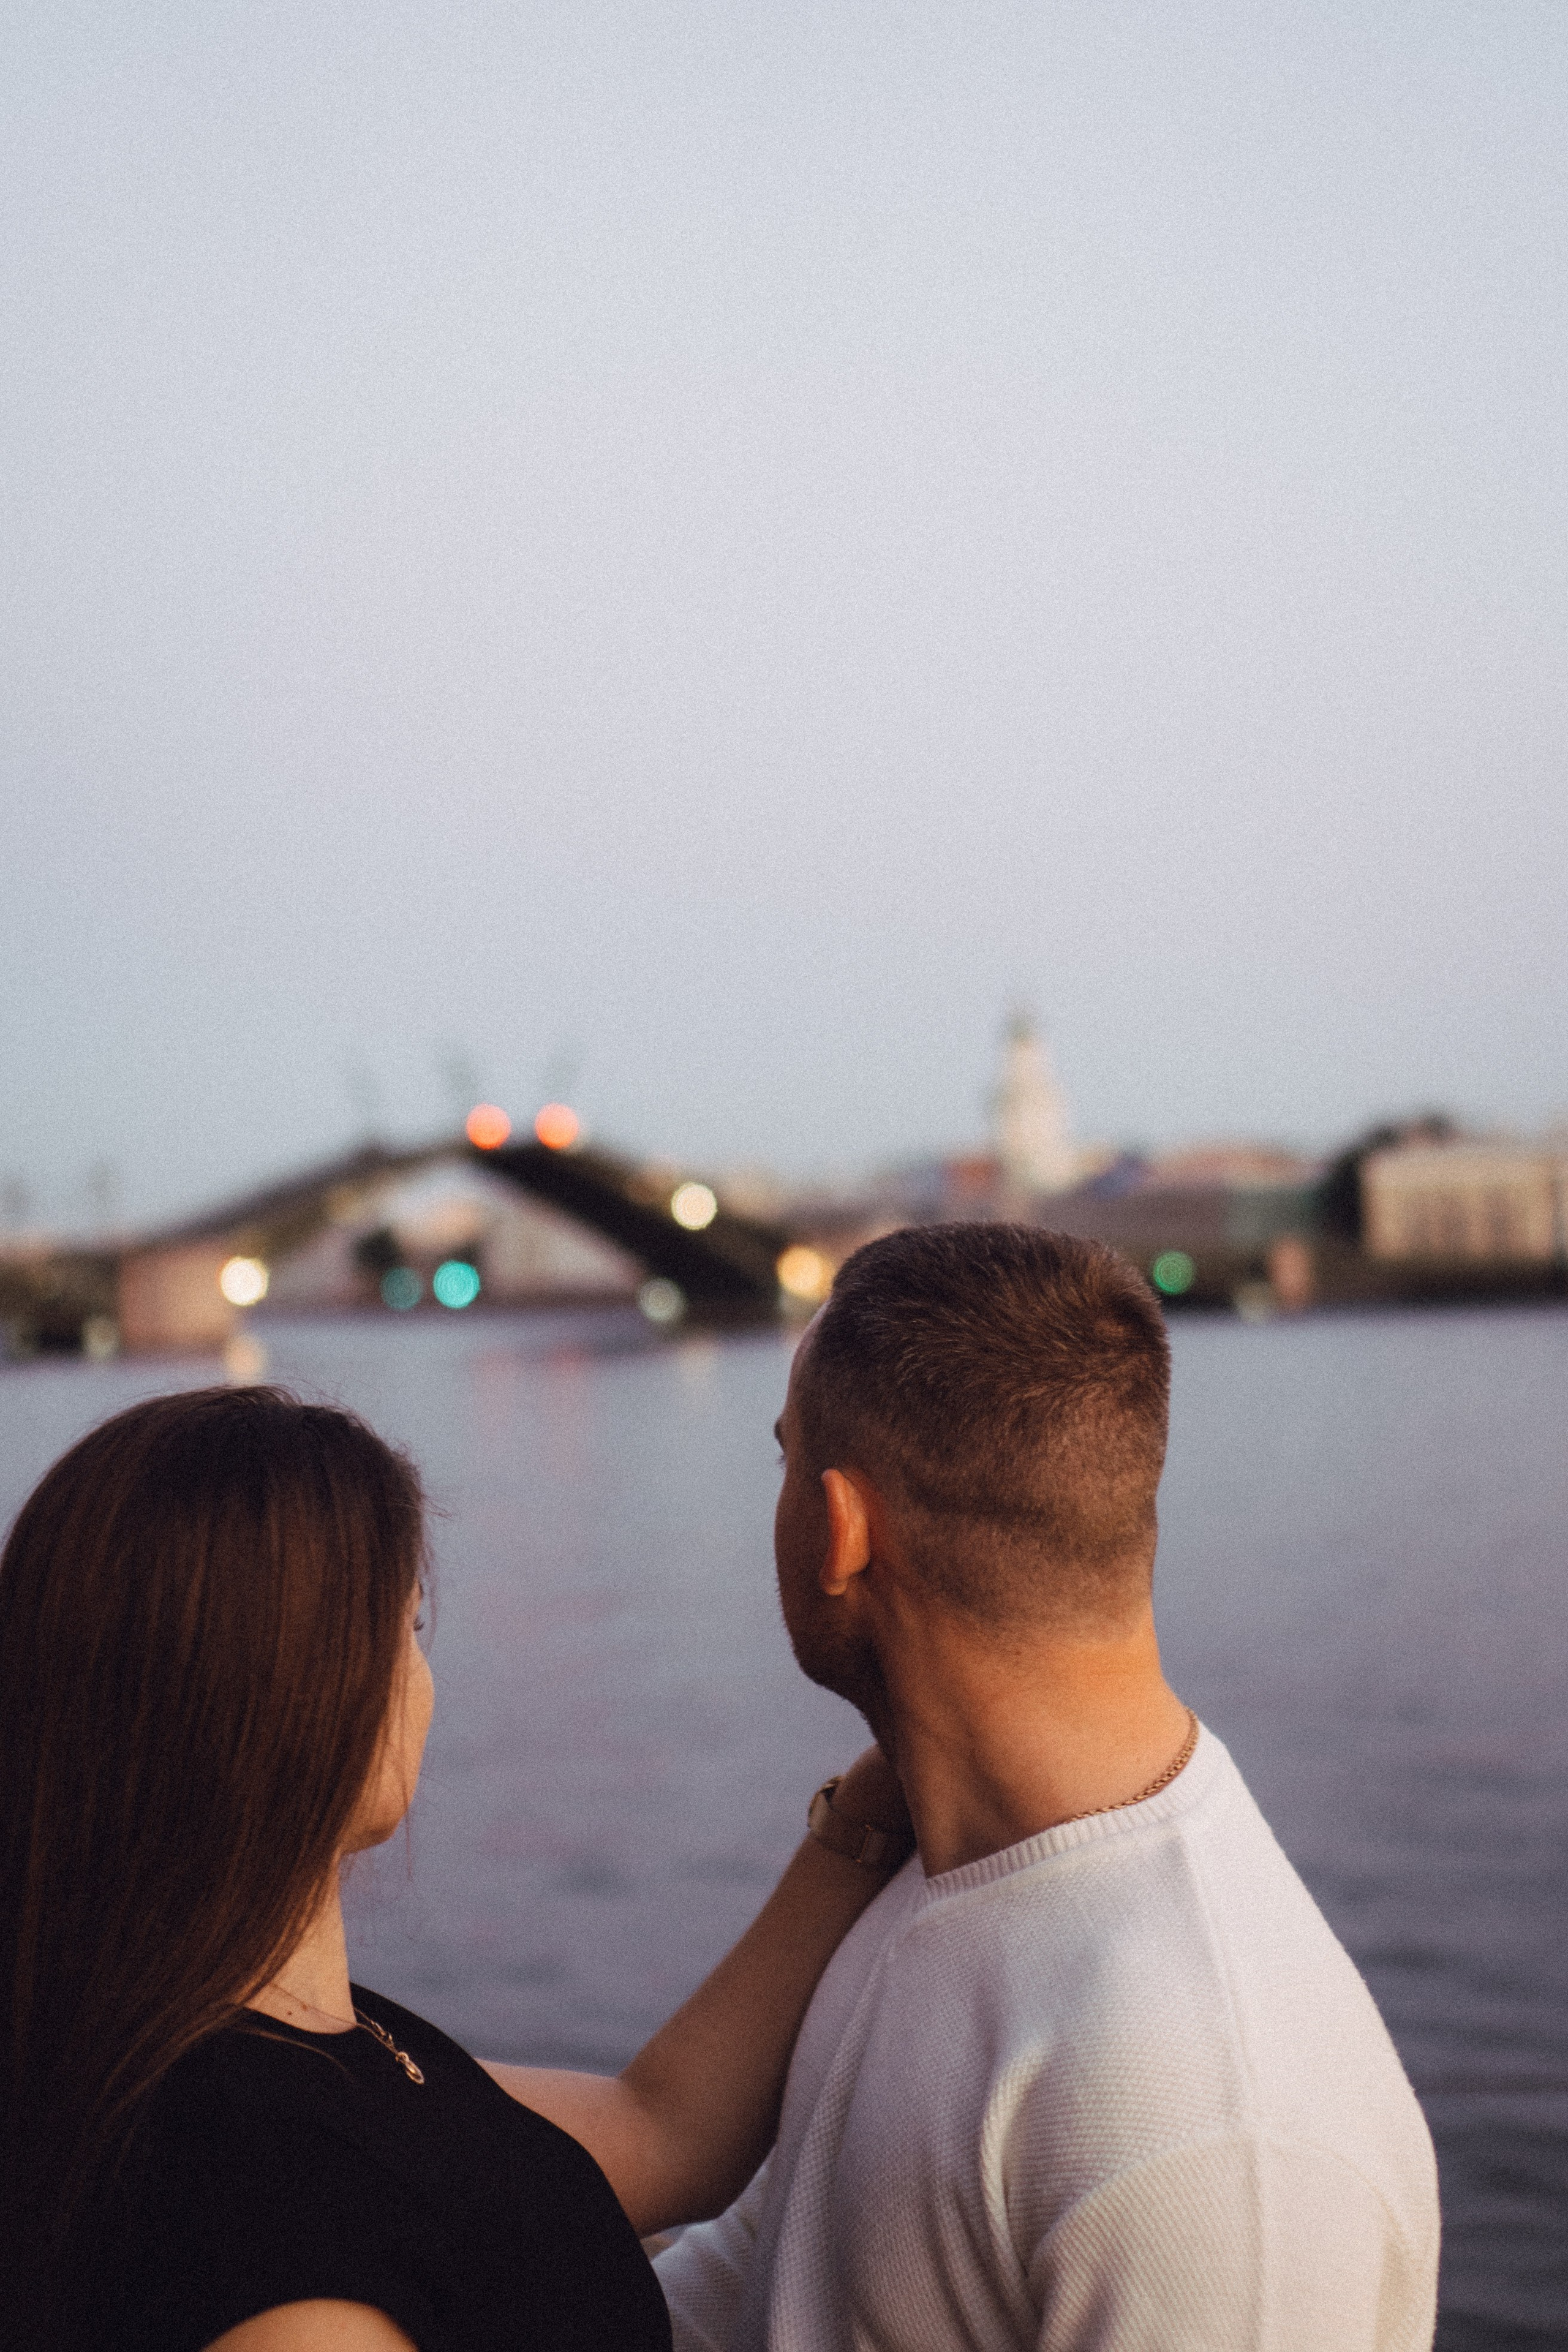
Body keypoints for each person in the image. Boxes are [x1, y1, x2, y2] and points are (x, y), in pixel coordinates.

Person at [657, 1223, 1441, 2352]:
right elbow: (765, 2282)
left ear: (843, 1529)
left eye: (784, 1460)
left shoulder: (1211, 2126)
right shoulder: (931, 1862)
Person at [0, 1385, 912, 2352]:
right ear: (293, 1689)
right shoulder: (266, 2234)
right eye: (408, 1626)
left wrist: (879, 1799)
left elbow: (665, 2130)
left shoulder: (276, 2046)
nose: (420, 1681)